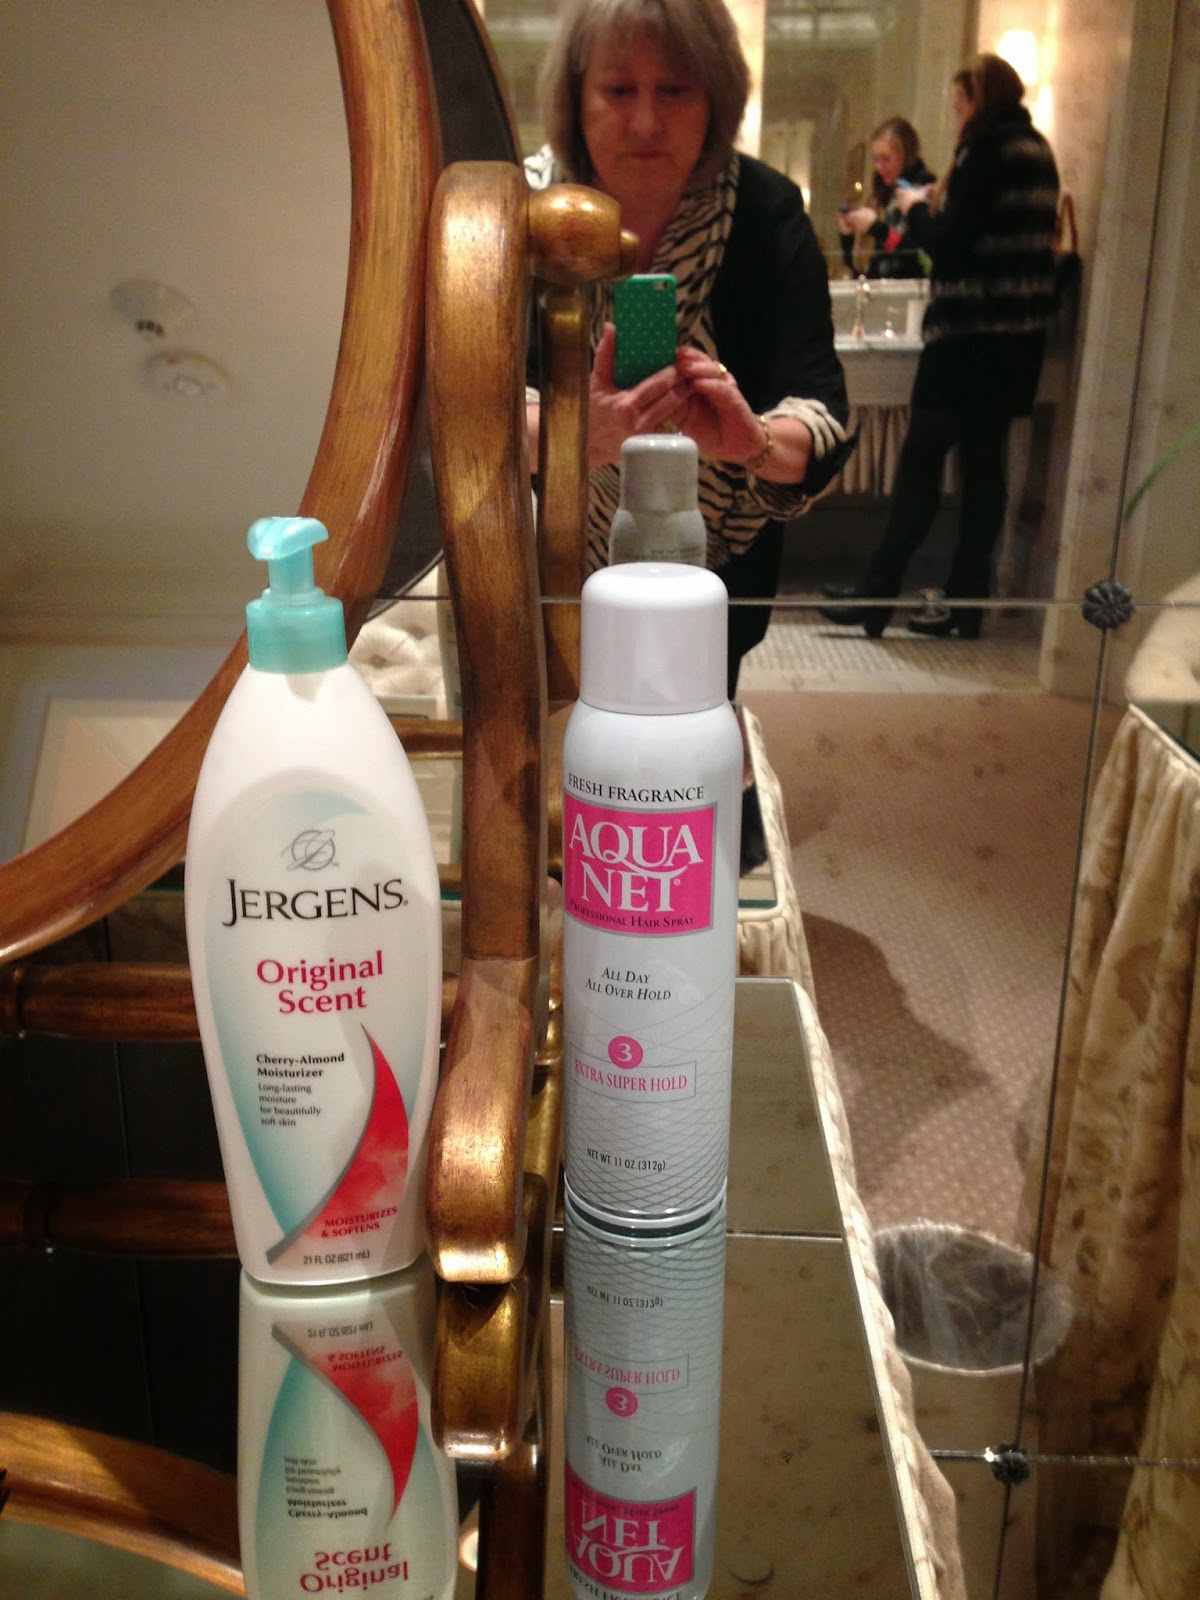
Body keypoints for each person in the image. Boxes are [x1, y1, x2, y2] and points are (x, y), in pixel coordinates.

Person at [525, 0, 853, 700]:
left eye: (674, 90)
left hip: (716, 585)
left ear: (715, 100)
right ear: (575, 99)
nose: (646, 122)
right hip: (538, 580)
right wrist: (575, 436)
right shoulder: (521, 213)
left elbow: (821, 414)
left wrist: (751, 441)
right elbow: (465, 416)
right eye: (619, 90)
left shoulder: (766, 211)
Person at [820, 54, 1059, 639]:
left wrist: (916, 209)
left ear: (980, 100)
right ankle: (964, 604)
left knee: (920, 463)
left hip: (966, 338)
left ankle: (878, 593)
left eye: (959, 106)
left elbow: (948, 246)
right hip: (1017, 343)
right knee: (984, 470)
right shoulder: (1038, 153)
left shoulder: (987, 152)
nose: (957, 118)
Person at [837, 117, 937, 279]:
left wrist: (876, 228)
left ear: (906, 156)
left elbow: (922, 260)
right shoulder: (880, 197)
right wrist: (848, 236)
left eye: (886, 159)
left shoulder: (924, 193)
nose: (879, 167)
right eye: (876, 159)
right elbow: (865, 270)